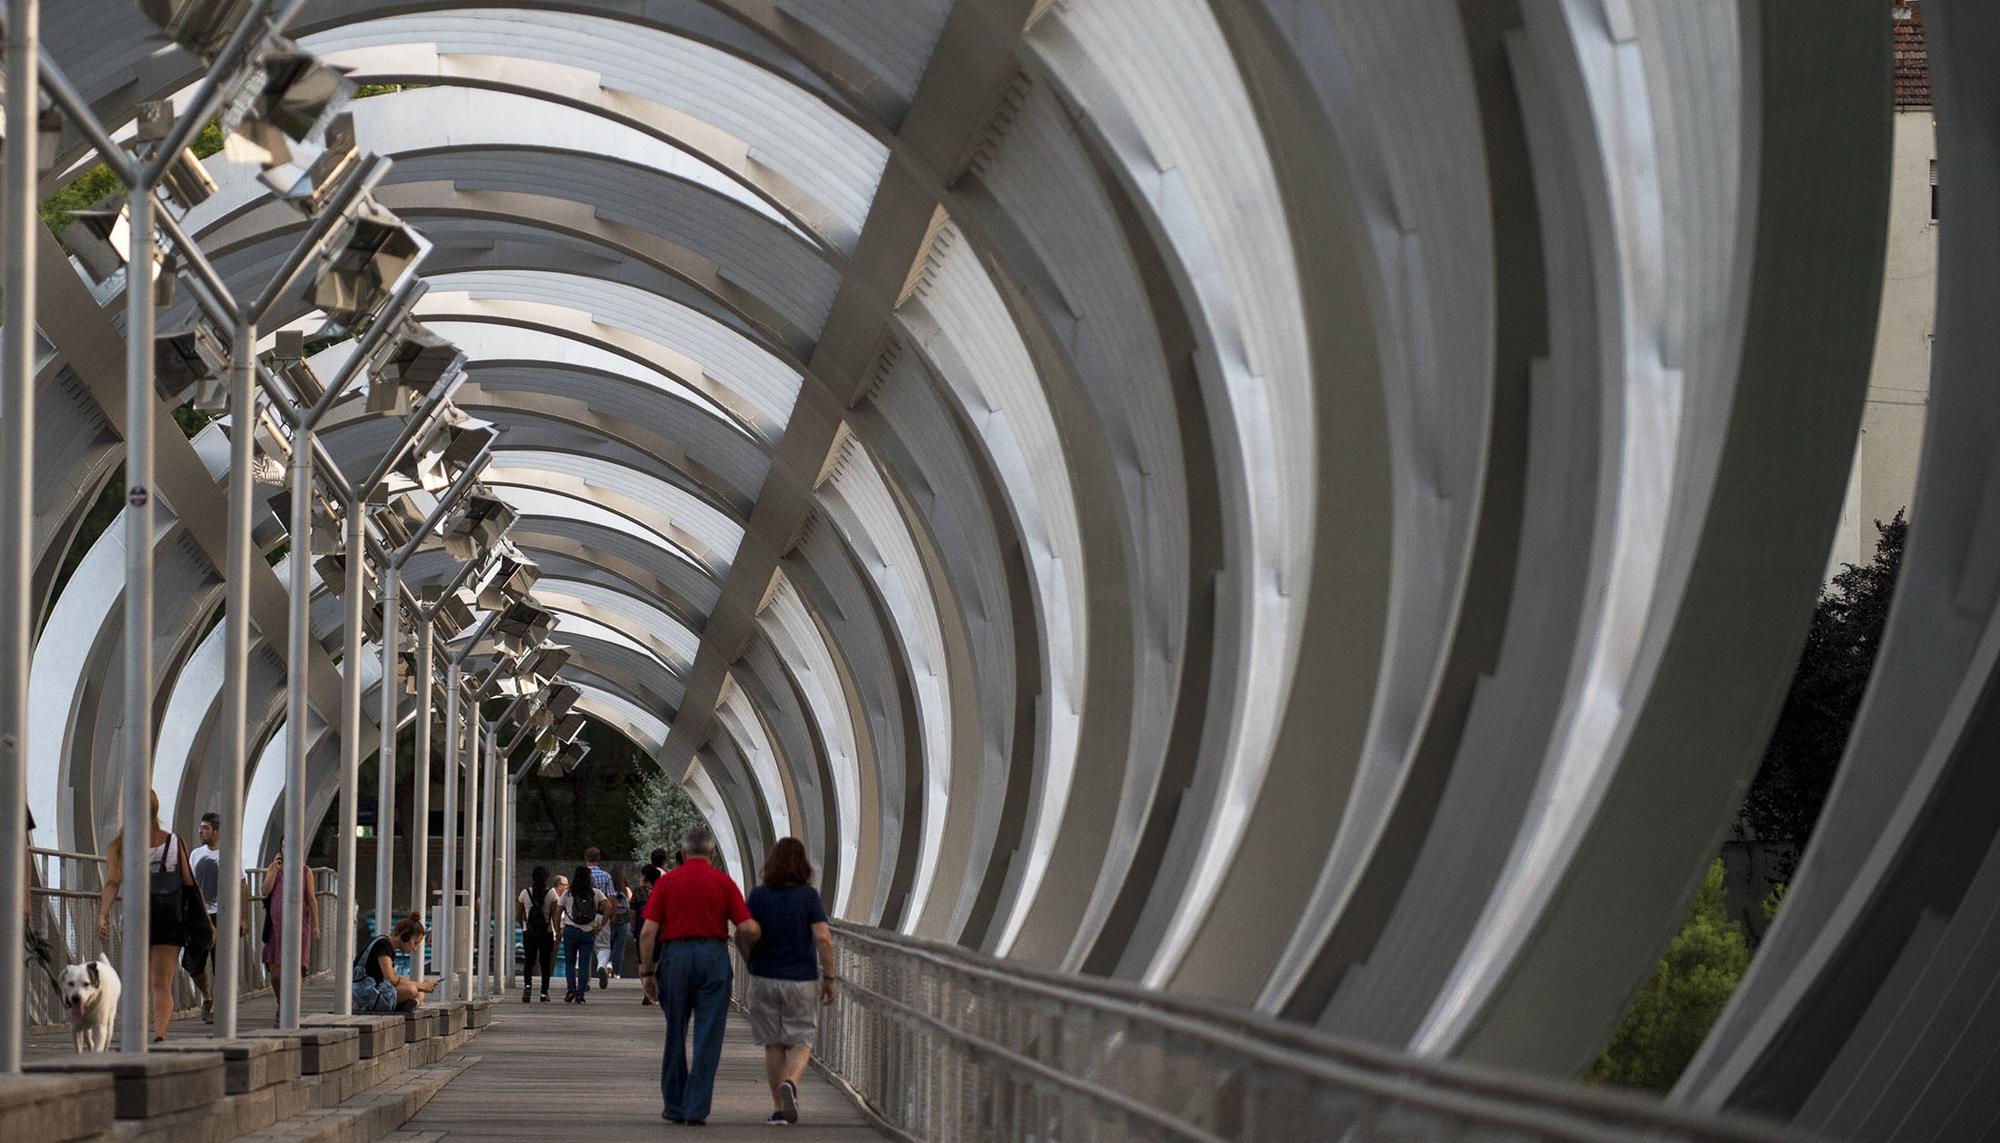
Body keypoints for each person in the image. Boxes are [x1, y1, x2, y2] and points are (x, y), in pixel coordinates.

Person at [639, 828, 761, 1126]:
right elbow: (747, 928)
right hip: (713, 957)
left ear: (681, 853)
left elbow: (648, 931)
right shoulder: (723, 882)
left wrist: (646, 972)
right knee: (708, 1036)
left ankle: (674, 1104)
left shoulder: (667, 883)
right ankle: (696, 1107)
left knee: (675, 1032)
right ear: (713, 853)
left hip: (675, 958)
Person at [96, 791, 210, 1043]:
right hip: (170, 919)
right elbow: (190, 884)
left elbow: (113, 882)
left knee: (139, 980)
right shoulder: (173, 842)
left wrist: (103, 915)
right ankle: (159, 1034)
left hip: (138, 918)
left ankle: (134, 1033)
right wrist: (204, 921)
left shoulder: (121, 845)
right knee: (162, 982)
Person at [745, 838, 837, 1126]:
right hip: (800, 978)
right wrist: (830, 977)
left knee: (773, 1044)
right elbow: (822, 937)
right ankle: (791, 1083)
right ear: (803, 865)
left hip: (763, 976)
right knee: (801, 1041)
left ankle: (777, 1109)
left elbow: (745, 931)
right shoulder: (808, 896)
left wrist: (750, 960)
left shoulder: (758, 896)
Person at [185, 811, 249, 1024]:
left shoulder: (229, 854)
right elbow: (190, 886)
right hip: (200, 916)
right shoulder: (195, 854)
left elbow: (242, 885)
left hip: (224, 916)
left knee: (221, 963)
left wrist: (243, 918)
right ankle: (207, 995)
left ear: (216, 830)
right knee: (192, 963)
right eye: (200, 827)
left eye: (205, 828)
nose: (200, 831)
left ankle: (220, 1009)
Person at [259, 848, 318, 1021]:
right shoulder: (274, 868)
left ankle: (291, 1009)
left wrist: (317, 925)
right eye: (284, 845)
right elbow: (265, 891)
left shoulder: (305, 871)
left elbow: (312, 898)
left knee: (296, 968)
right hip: (276, 927)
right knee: (276, 973)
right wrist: (274, 870)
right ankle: (282, 1003)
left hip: (300, 926)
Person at [355, 912, 436, 1012]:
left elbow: (394, 981)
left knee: (420, 994)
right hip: (366, 994)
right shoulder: (383, 944)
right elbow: (391, 979)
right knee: (412, 990)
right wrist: (420, 985)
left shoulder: (388, 947)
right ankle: (401, 1007)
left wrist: (422, 986)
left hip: (375, 992)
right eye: (415, 943)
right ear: (405, 937)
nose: (415, 949)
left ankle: (405, 1005)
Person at [556, 863, 605, 1003]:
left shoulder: (568, 893)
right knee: (584, 964)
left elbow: (557, 912)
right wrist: (600, 925)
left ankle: (571, 988)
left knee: (570, 963)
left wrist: (558, 929)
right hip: (588, 931)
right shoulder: (595, 893)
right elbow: (609, 908)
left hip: (570, 930)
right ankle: (581, 994)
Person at [517, 865, 556, 1003]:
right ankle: (544, 992)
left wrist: (524, 926)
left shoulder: (525, 892)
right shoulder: (551, 893)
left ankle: (527, 986)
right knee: (545, 963)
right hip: (546, 932)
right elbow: (554, 915)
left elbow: (518, 914)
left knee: (529, 961)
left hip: (530, 931)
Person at [633, 864, 663, 1007]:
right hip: (660, 929)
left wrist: (633, 929)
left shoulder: (638, 892)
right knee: (656, 961)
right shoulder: (661, 891)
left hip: (641, 929)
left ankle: (646, 992)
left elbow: (633, 912)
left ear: (644, 876)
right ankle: (653, 994)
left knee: (642, 962)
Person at [601, 865, 634, 990]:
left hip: (610, 920)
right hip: (624, 922)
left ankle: (608, 963)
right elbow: (629, 906)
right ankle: (617, 974)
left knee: (608, 944)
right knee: (620, 947)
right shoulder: (626, 890)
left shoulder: (608, 889)